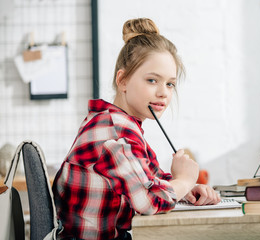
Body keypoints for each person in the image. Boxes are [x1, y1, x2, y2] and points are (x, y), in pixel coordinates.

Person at [52, 18, 221, 240]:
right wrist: (184, 181)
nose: (163, 93)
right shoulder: (115, 131)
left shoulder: (119, 123)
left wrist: (184, 190)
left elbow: (148, 179)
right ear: (122, 80)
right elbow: (150, 202)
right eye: (152, 80)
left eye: (170, 84)